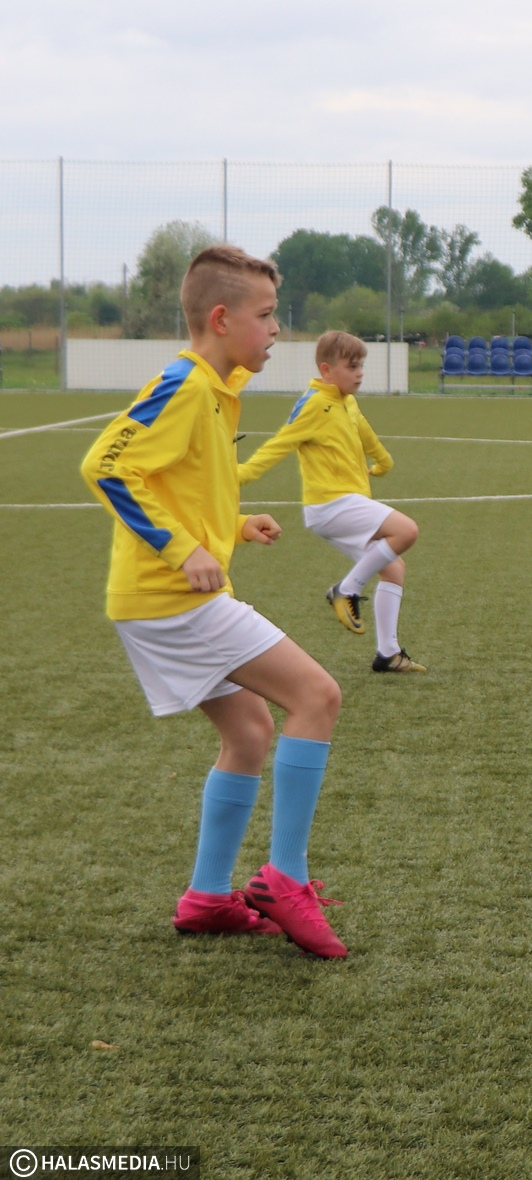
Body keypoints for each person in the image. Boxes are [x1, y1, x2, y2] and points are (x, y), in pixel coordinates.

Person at [80, 246, 348, 959]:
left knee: (250, 733)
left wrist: (230, 526)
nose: (277, 330)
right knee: (317, 695)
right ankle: (284, 879)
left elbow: (181, 484)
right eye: (266, 316)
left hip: (164, 597)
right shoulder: (186, 384)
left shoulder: (216, 389)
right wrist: (182, 549)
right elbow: (107, 465)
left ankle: (206, 898)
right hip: (171, 598)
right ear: (222, 318)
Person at [238, 331, 426, 674]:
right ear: (326, 370)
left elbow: (365, 434)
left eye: (361, 365)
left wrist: (383, 463)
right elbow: (279, 444)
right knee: (406, 531)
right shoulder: (314, 404)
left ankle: (388, 654)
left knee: (394, 569)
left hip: (346, 504)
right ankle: (346, 590)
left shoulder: (347, 401)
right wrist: (238, 475)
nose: (360, 373)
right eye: (352, 366)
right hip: (330, 505)